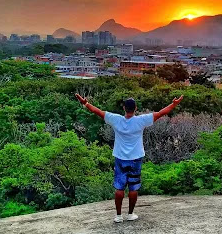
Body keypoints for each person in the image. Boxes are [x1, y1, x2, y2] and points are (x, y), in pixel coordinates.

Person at [75, 93, 184, 223]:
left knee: (119, 188)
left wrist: (86, 103)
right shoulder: (141, 120)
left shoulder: (116, 119)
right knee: (133, 187)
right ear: (135, 108)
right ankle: (130, 214)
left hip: (120, 158)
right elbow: (161, 113)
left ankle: (118, 216)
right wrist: (174, 104)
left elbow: (97, 111)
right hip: (136, 158)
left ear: (124, 108)